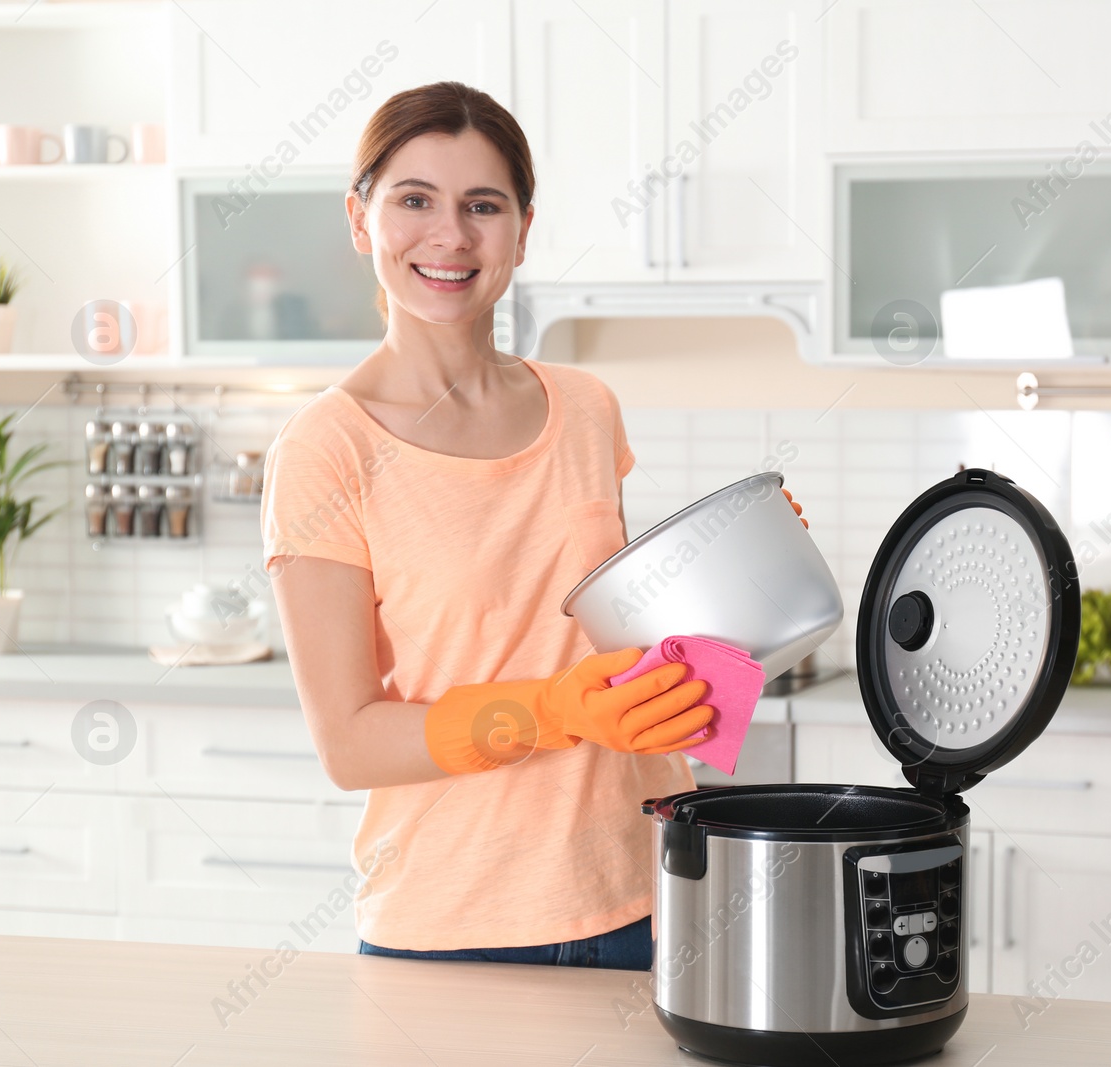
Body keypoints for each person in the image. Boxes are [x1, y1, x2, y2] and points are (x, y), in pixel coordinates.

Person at [262, 81, 804, 971]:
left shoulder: (587, 408)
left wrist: (741, 566)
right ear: (361, 220)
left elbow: (618, 650)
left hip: (651, 891)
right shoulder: (326, 449)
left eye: (484, 205)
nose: (451, 235)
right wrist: (557, 711)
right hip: (454, 923)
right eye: (414, 201)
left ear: (522, 228)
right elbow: (351, 743)